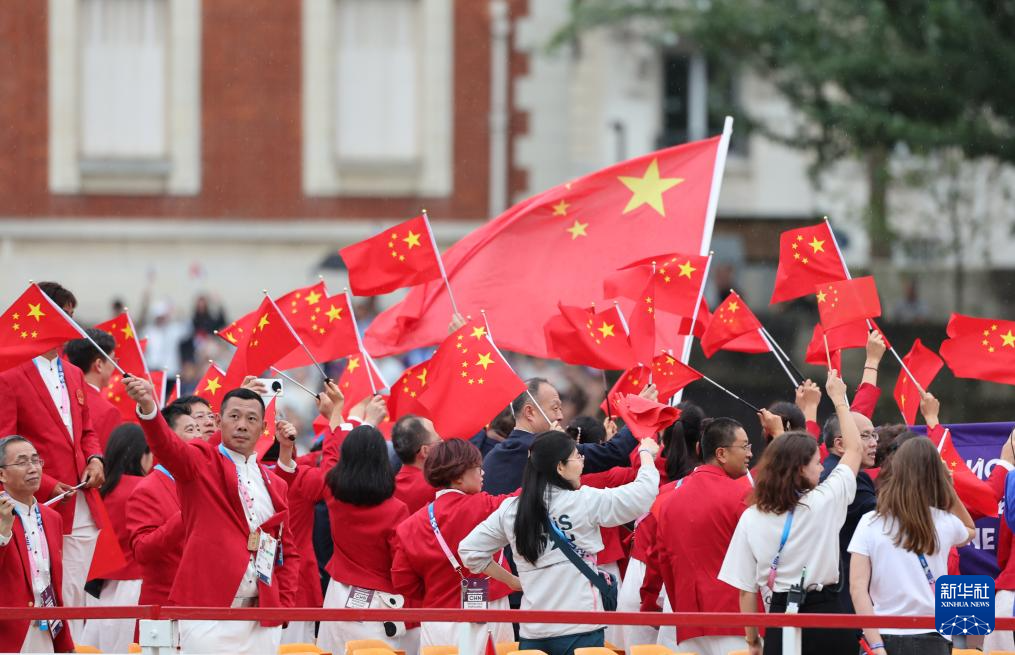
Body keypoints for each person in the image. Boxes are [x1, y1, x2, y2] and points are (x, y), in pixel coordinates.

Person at [123, 377, 300, 655]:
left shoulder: (275, 483)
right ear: (218, 423)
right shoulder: (202, 462)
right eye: (234, 416)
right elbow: (169, 448)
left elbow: (286, 550)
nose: (242, 424)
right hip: (209, 612)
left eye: (252, 418)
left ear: (264, 428)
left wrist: (283, 606)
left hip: (262, 616)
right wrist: (149, 409)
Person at [460, 430, 660, 655]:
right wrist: (645, 454)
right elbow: (643, 494)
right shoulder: (583, 501)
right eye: (577, 456)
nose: (582, 462)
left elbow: (470, 551)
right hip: (580, 626)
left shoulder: (512, 509)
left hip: (533, 631)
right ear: (560, 467)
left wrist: (513, 581)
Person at [719, 370, 863, 655]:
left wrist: (752, 642)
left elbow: (746, 591)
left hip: (780, 615)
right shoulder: (825, 500)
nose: (823, 468)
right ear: (800, 468)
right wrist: (839, 400)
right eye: (817, 463)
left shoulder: (752, 515)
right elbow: (855, 448)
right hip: (828, 615)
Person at [0, 281, 105, 635]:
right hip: (38, 499)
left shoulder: (73, 372)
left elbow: (86, 430)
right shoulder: (11, 374)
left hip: (83, 497)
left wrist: (95, 459)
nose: (72, 326)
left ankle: (69, 644)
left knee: (75, 589)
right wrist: (42, 482)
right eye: (65, 316)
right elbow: (6, 441)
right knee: (44, 583)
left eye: (73, 317)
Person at [849, 437, 976, 655]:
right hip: (932, 638)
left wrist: (876, 645)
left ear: (896, 471)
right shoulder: (945, 522)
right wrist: (948, 483)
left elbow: (857, 588)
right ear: (936, 477)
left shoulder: (870, 522)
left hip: (882, 635)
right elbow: (969, 528)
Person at [391, 439, 517, 652]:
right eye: (478, 468)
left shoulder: (410, 526)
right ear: (459, 476)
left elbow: (402, 580)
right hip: (489, 609)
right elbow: (523, 500)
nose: (483, 473)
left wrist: (438, 590)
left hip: (438, 616)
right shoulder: (487, 506)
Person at [649, 418, 754, 655]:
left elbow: (664, 563)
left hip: (689, 620)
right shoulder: (743, 495)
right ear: (721, 453)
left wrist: (682, 609)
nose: (750, 453)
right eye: (745, 446)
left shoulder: (668, 502)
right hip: (736, 618)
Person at [314, 425, 417, 655]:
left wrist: (334, 423)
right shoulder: (397, 509)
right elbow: (401, 566)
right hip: (379, 604)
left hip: (337, 595)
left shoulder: (333, 494)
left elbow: (329, 462)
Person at [482, 378, 646, 495]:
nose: (561, 416)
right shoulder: (546, 450)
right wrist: (639, 412)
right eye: (555, 408)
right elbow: (612, 453)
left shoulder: (491, 456)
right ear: (529, 412)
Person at [77, 424, 153, 653]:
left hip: (98, 587)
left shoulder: (99, 490)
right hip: (134, 584)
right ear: (143, 454)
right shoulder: (145, 487)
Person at [0, 435, 75, 653]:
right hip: (9, 631)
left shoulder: (52, 517)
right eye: (22, 462)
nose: (33, 468)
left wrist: (65, 643)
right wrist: (3, 532)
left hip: (46, 627)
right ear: (1, 474)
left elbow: (54, 582)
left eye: (36, 460)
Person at [125, 403, 202, 609]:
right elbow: (142, 551)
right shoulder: (148, 489)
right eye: (190, 430)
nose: (199, 436)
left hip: (204, 604)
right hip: (165, 606)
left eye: (199, 430)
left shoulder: (204, 481)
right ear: (168, 439)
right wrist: (185, 514)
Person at [819, 391, 879, 614]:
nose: (873, 443)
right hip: (846, 595)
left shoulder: (839, 472)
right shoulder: (847, 478)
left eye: (875, 435)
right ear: (840, 444)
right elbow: (890, 520)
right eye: (864, 436)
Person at [64, 329, 122, 451]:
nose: (115, 366)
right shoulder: (108, 412)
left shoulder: (59, 394)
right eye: (113, 360)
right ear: (99, 364)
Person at [391, 415, 441, 513]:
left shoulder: (387, 489)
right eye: (439, 441)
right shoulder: (437, 487)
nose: (444, 444)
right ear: (425, 451)